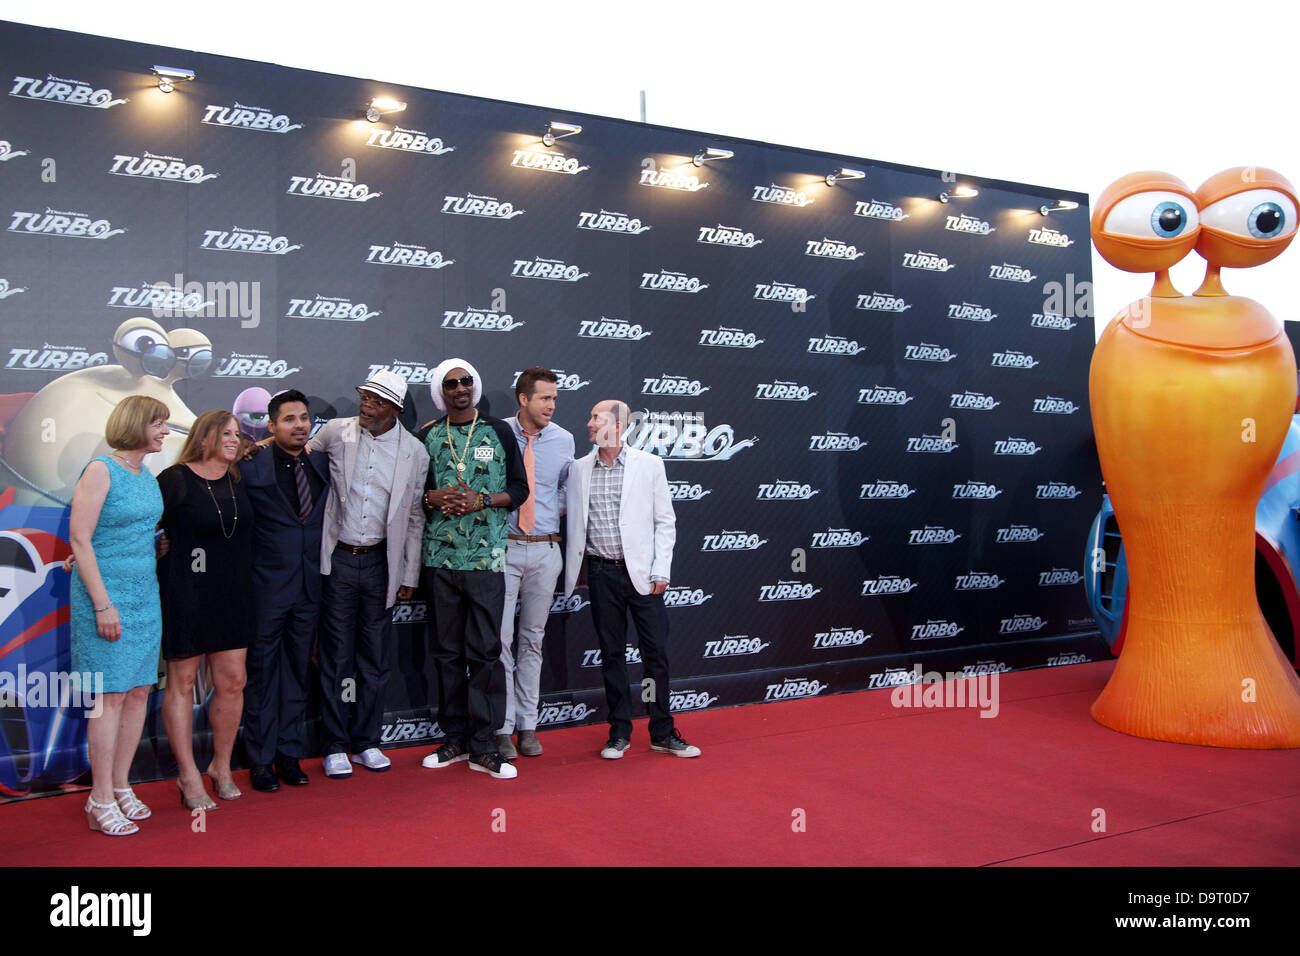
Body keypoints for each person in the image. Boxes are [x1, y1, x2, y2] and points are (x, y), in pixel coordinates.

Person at [563, 400, 700, 759]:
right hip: (600, 572)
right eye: (591, 416)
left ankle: (663, 731)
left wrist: (661, 570)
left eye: (596, 417)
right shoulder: (577, 469)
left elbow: (664, 522)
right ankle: (619, 732)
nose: (589, 423)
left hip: (643, 575)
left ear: (618, 425)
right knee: (611, 655)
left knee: (655, 655)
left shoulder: (650, 465)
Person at [310, 370, 429, 778]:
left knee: (375, 658)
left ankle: (367, 740)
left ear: (395, 409)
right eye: (364, 396)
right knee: (336, 654)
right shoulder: (336, 433)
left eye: (377, 402)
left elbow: (415, 517)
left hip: (382, 564)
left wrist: (409, 572)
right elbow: (297, 453)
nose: (366, 405)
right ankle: (335, 744)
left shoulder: (415, 451)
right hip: (338, 559)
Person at [418, 359, 529, 780]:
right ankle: (455, 740)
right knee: (447, 653)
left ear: (475, 386)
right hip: (440, 560)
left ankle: (485, 745)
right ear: (441, 391)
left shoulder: (499, 431)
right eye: (452, 383)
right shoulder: (427, 436)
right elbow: (413, 495)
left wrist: (483, 500)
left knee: (485, 654)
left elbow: (519, 490)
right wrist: (434, 496)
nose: (460, 388)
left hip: (486, 561)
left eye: (466, 381)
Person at [69, 395, 169, 835]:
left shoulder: (145, 474)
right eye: (159, 424)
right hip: (104, 599)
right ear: (136, 425)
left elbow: (140, 532)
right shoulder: (100, 470)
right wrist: (102, 604)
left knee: (138, 692)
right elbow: (80, 539)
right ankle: (99, 799)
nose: (166, 431)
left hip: (146, 597)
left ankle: (121, 785)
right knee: (108, 697)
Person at [157, 409, 255, 811]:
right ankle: (187, 774)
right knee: (181, 683)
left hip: (232, 593)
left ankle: (221, 765)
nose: (235, 439)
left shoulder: (237, 479)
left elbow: (265, 445)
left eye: (238, 434)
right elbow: (141, 525)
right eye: (226, 433)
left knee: (233, 681)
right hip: (187, 592)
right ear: (203, 437)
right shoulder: (175, 479)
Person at [239, 389, 330, 792]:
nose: (299, 425)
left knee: (296, 673)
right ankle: (258, 760)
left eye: (304, 418)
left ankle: (288, 755)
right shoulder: (250, 463)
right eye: (289, 419)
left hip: (309, 588)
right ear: (271, 425)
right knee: (261, 675)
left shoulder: (321, 462)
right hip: (264, 589)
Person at [493, 368, 573, 759]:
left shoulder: (564, 440)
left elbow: (564, 491)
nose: (551, 406)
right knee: (500, 641)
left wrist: (543, 517)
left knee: (533, 640)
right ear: (523, 399)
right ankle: (503, 727)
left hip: (545, 550)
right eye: (544, 398)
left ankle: (528, 724)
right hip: (503, 549)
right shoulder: (498, 433)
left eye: (554, 399)